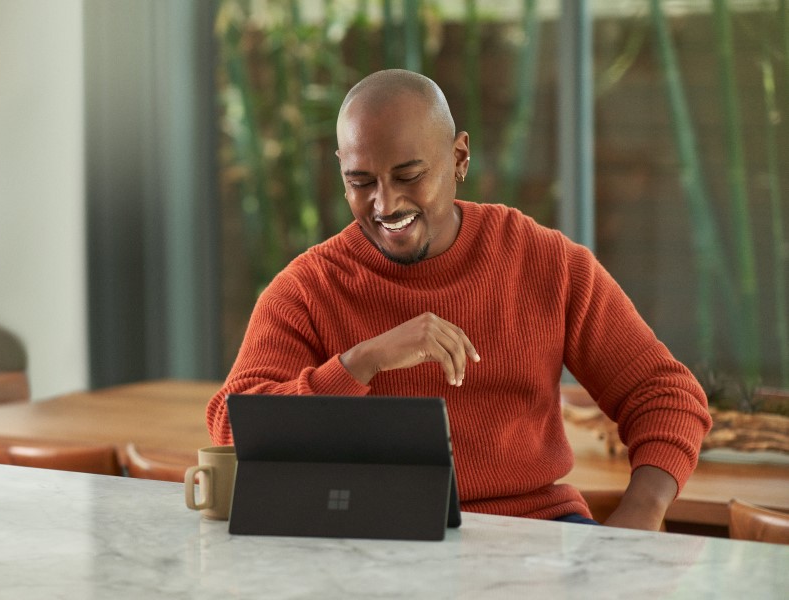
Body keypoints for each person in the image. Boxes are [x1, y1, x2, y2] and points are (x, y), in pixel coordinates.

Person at [207, 69, 712, 530]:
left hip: (535, 533)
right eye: (361, 182)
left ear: (459, 158)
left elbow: (665, 395)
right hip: (375, 540)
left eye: (409, 176)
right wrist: (363, 361)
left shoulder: (545, 262)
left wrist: (641, 514)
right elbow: (232, 427)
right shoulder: (308, 287)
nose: (385, 204)